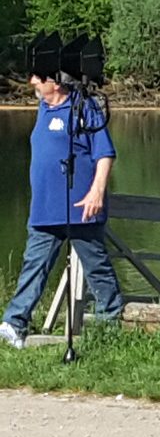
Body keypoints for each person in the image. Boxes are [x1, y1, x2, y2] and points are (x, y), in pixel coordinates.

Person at [0, 74, 124, 349]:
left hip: (80, 206)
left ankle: (110, 325)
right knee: (34, 267)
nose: (32, 82)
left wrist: (96, 191)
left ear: (55, 82)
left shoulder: (84, 107)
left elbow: (104, 153)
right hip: (45, 208)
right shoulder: (44, 108)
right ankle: (14, 324)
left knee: (96, 267)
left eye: (38, 78)